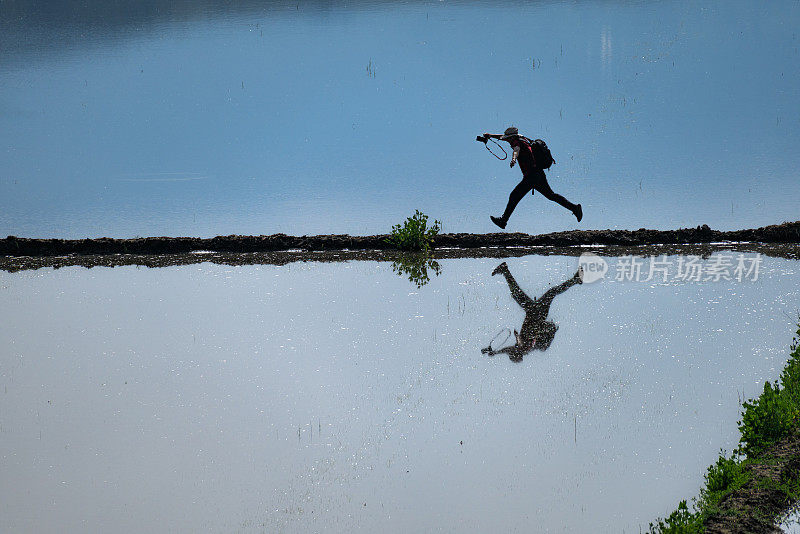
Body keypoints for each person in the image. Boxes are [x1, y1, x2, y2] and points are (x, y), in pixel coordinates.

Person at [482, 127, 582, 229]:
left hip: (531, 175)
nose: (506, 140)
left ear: (511, 137)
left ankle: (503, 221)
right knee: (551, 195)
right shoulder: (523, 139)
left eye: (508, 138)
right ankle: (574, 208)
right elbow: (502, 137)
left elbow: (516, 150)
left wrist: (513, 159)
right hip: (538, 173)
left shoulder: (516, 142)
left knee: (514, 196)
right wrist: (490, 136)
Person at [482, 262, 582, 362]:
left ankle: (575, 280)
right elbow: (511, 348)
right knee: (519, 294)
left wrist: (497, 352)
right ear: (517, 354)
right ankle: (504, 270)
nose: (511, 351)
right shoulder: (524, 348)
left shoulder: (526, 348)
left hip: (538, 314)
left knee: (551, 292)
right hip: (535, 313)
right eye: (512, 354)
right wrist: (498, 351)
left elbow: (509, 349)